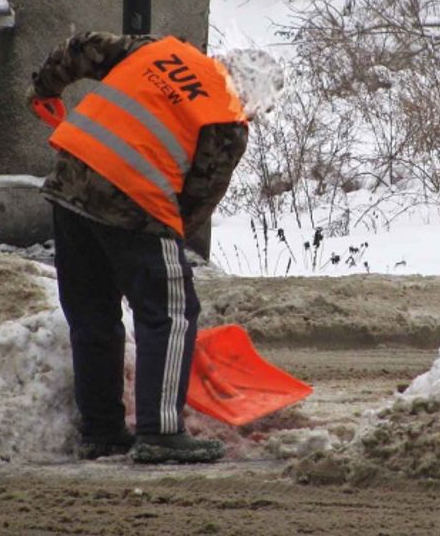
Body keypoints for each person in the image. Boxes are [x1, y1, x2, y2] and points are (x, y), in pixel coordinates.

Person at [27, 31, 282, 463]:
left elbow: (82, 47)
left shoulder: (160, 50)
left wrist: (45, 88)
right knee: (171, 313)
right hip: (134, 197)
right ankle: (160, 433)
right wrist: (157, 260)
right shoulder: (226, 120)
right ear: (254, 101)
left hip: (70, 180)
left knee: (93, 313)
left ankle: (102, 431)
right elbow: (196, 200)